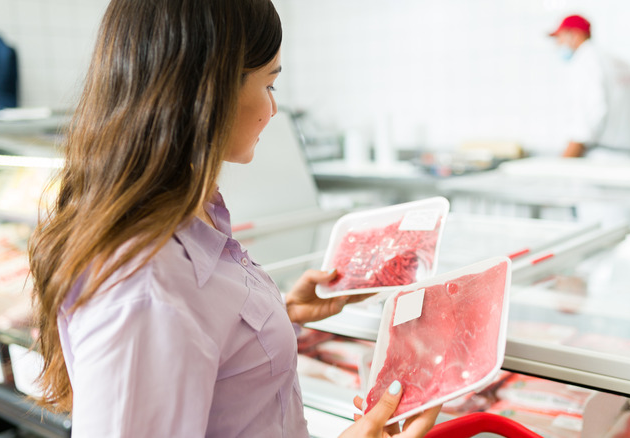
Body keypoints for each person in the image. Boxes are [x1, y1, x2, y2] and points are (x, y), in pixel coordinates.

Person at [27, 0, 440, 436]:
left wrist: (279, 313)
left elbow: (204, 347)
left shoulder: (188, 217)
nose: (273, 108)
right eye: (269, 85)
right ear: (213, 91)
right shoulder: (145, 289)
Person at [550, 15, 630, 160]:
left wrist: (562, 164)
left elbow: (585, 126)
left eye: (559, 38)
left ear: (574, 35)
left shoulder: (584, 62)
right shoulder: (622, 63)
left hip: (599, 160)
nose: (557, 45)